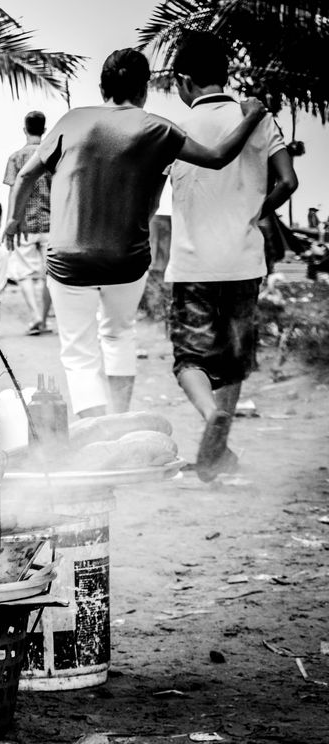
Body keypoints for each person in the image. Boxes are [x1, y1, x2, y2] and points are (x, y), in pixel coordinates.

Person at [4, 48, 267, 419]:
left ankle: (96, 432)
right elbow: (218, 156)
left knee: (78, 350)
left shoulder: (72, 121)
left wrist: (13, 219)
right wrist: (252, 116)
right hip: (127, 259)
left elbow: (27, 175)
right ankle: (117, 423)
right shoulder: (158, 128)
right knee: (118, 335)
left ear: (102, 87)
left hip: (68, 259)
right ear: (144, 89)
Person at [165, 32, 298, 481]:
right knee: (234, 357)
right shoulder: (255, 117)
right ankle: (218, 450)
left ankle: (210, 419)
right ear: (224, 75)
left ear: (185, 81)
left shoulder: (175, 130)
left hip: (192, 263)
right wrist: (258, 209)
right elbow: (289, 181)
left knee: (190, 359)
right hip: (244, 261)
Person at [4, 111, 53, 335]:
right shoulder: (53, 155)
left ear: (25, 129)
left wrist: (10, 223)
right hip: (52, 224)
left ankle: (34, 316)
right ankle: (42, 319)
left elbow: (14, 192)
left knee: (23, 274)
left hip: (24, 225)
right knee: (50, 274)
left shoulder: (15, 158)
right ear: (43, 130)